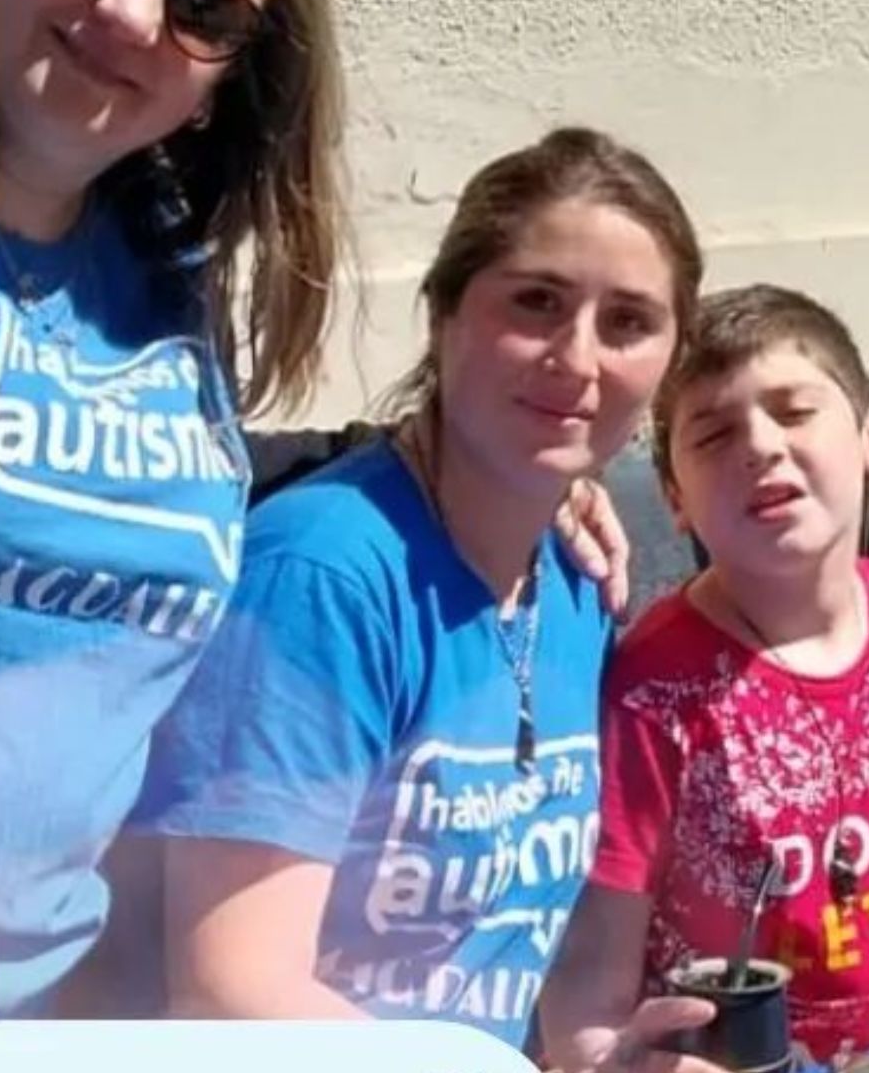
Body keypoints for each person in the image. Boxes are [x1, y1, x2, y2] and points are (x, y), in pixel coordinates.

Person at [0, 0, 637, 1024]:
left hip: (39, 1010)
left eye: (205, 7)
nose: (135, 14)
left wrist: (509, 463)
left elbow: (203, 488)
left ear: (219, 86)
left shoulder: (154, 271)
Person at [136, 128, 710, 1059]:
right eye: (536, 301)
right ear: (444, 313)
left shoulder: (575, 574)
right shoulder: (323, 578)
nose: (578, 358)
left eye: (628, 322)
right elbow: (232, 989)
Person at [542, 285, 869, 1069]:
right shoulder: (650, 691)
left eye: (794, 411)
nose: (760, 446)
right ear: (674, 498)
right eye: (714, 433)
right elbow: (591, 980)